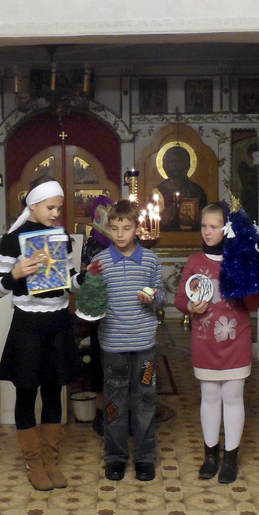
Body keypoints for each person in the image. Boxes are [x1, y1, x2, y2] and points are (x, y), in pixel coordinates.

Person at [0, 176, 84, 491]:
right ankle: (34, 463)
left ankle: (50, 461)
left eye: (59, 207)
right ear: (33, 205)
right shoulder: (12, 240)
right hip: (28, 326)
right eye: (50, 207)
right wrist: (16, 273)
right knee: (27, 393)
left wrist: (85, 278)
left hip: (58, 323)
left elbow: (69, 281)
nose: (56, 213)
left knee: (54, 392)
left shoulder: (61, 237)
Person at [174, 202, 259, 483]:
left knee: (233, 397)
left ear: (227, 229)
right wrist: (191, 306)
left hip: (236, 341)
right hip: (205, 343)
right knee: (210, 396)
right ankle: (210, 455)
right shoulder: (194, 261)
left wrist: (244, 277)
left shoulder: (241, 259)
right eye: (204, 226)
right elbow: (180, 299)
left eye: (214, 226)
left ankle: (231, 457)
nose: (207, 231)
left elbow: (254, 303)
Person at [93, 199, 165, 482]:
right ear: (108, 228)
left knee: (145, 399)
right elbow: (92, 295)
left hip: (144, 344)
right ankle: (115, 456)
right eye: (114, 228)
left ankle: (145, 457)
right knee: (114, 401)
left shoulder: (150, 260)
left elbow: (160, 295)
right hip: (113, 345)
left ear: (137, 228)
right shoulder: (100, 262)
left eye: (126, 228)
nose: (120, 234)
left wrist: (152, 298)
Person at [79, 195, 114, 436]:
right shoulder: (91, 244)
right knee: (100, 364)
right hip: (100, 314)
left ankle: (120, 414)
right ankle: (103, 415)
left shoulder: (125, 242)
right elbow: (85, 277)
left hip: (122, 313)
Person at [152, 145, 208, 231]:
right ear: (166, 165)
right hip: (164, 236)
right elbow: (151, 221)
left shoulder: (196, 191)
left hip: (191, 237)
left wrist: (192, 221)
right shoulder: (158, 191)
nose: (176, 165)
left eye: (180, 161)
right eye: (172, 161)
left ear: (187, 165)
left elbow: (204, 219)